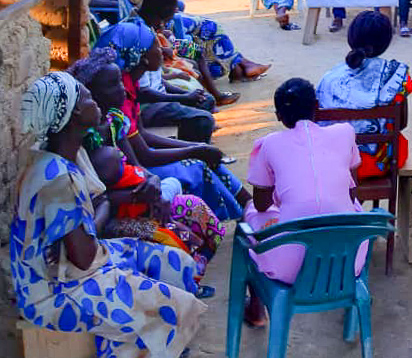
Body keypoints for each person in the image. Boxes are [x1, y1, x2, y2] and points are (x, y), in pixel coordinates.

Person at [12, 72, 205, 358]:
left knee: (176, 262)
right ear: (75, 113)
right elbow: (84, 255)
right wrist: (101, 210)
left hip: (75, 266)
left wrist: (106, 208)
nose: (95, 101)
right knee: (172, 309)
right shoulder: (57, 178)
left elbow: (94, 213)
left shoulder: (66, 155)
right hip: (54, 292)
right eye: (88, 97)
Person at [87, 26, 252, 221]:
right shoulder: (118, 102)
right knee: (197, 165)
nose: (164, 51)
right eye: (157, 47)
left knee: (203, 157)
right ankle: (239, 215)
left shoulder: (126, 87)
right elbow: (143, 157)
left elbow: (142, 137)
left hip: (139, 171)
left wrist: (196, 147)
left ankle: (248, 207)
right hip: (136, 178)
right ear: (142, 57)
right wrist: (193, 149)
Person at [242, 78, 369, 327]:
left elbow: (261, 204)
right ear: (317, 106)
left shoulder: (269, 144)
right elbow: (353, 194)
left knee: (250, 216)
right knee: (352, 209)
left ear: (279, 116)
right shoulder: (345, 133)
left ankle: (256, 308)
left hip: (290, 266)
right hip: (346, 258)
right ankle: (350, 312)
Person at [91, 145, 224, 287]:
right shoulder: (84, 160)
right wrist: (137, 197)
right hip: (117, 220)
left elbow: (139, 168)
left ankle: (199, 261)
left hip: (148, 207)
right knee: (174, 236)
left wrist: (154, 183)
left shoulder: (114, 127)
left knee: (195, 209)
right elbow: (100, 199)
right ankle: (190, 279)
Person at [316, 12, 411, 178]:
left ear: (350, 38)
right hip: (375, 163)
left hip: (332, 160)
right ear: (386, 42)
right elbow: (401, 123)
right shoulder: (398, 75)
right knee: (398, 141)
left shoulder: (328, 78)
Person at [139, 0, 269, 85]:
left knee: (199, 48)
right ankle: (236, 69)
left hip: (167, 42)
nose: (176, 8)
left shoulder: (149, 23)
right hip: (167, 46)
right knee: (210, 27)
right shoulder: (145, 29)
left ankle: (237, 68)